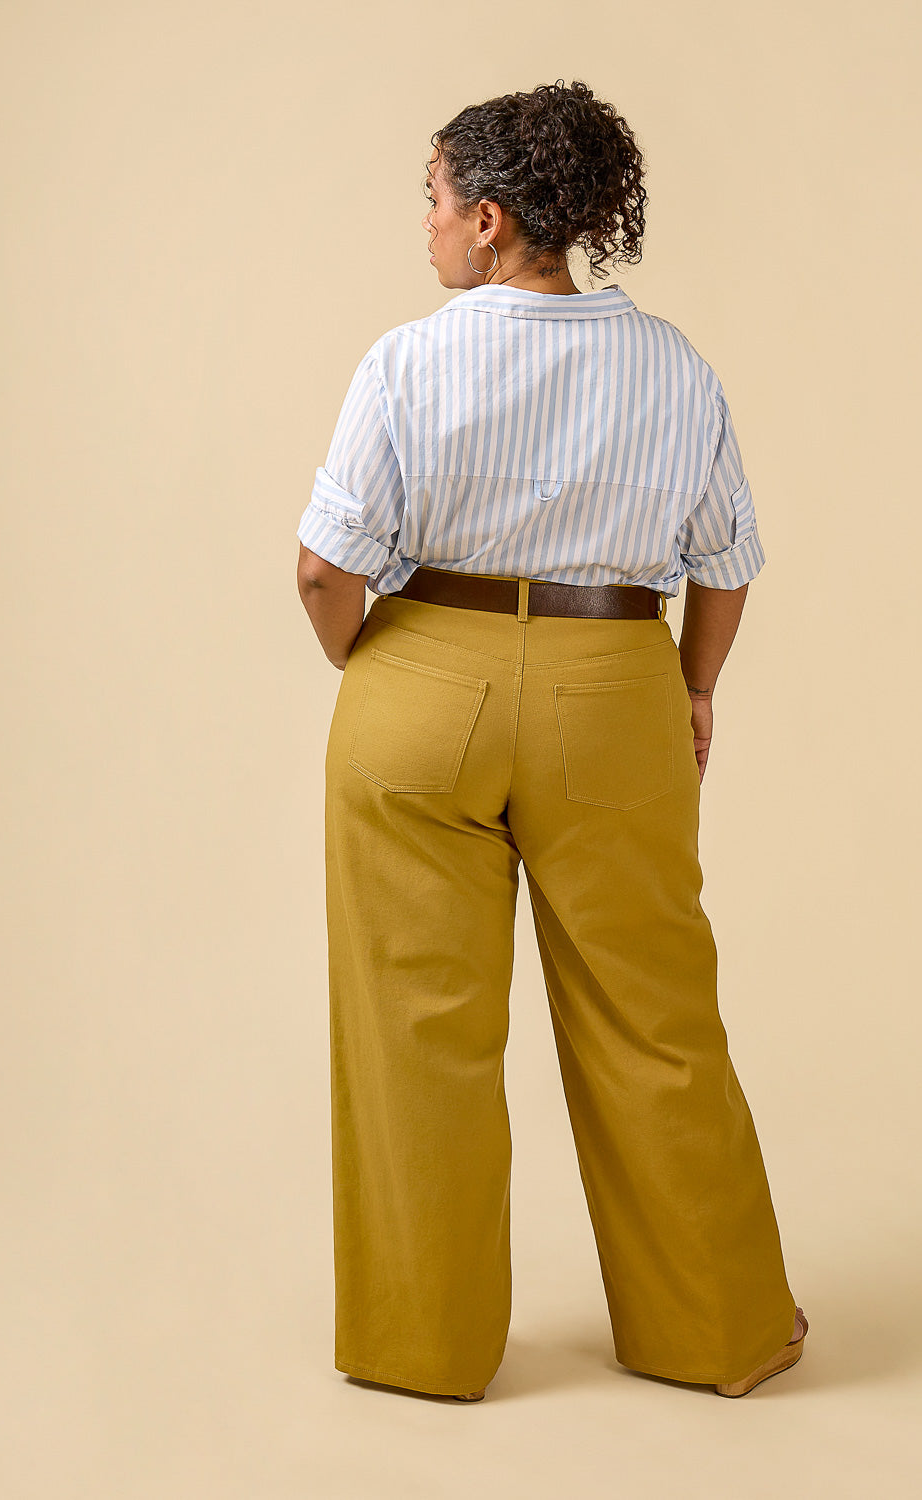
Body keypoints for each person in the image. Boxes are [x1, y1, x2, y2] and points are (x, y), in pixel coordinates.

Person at [296, 78, 807, 1404]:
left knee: (414, 1029)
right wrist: (693, 691)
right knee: (654, 1016)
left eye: (432, 197)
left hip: (420, 688)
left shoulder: (407, 361)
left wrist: (376, 663)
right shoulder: (674, 365)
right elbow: (726, 562)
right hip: (615, 686)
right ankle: (717, 1333)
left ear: (489, 219)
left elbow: (323, 569)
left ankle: (422, 1349)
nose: (423, 223)